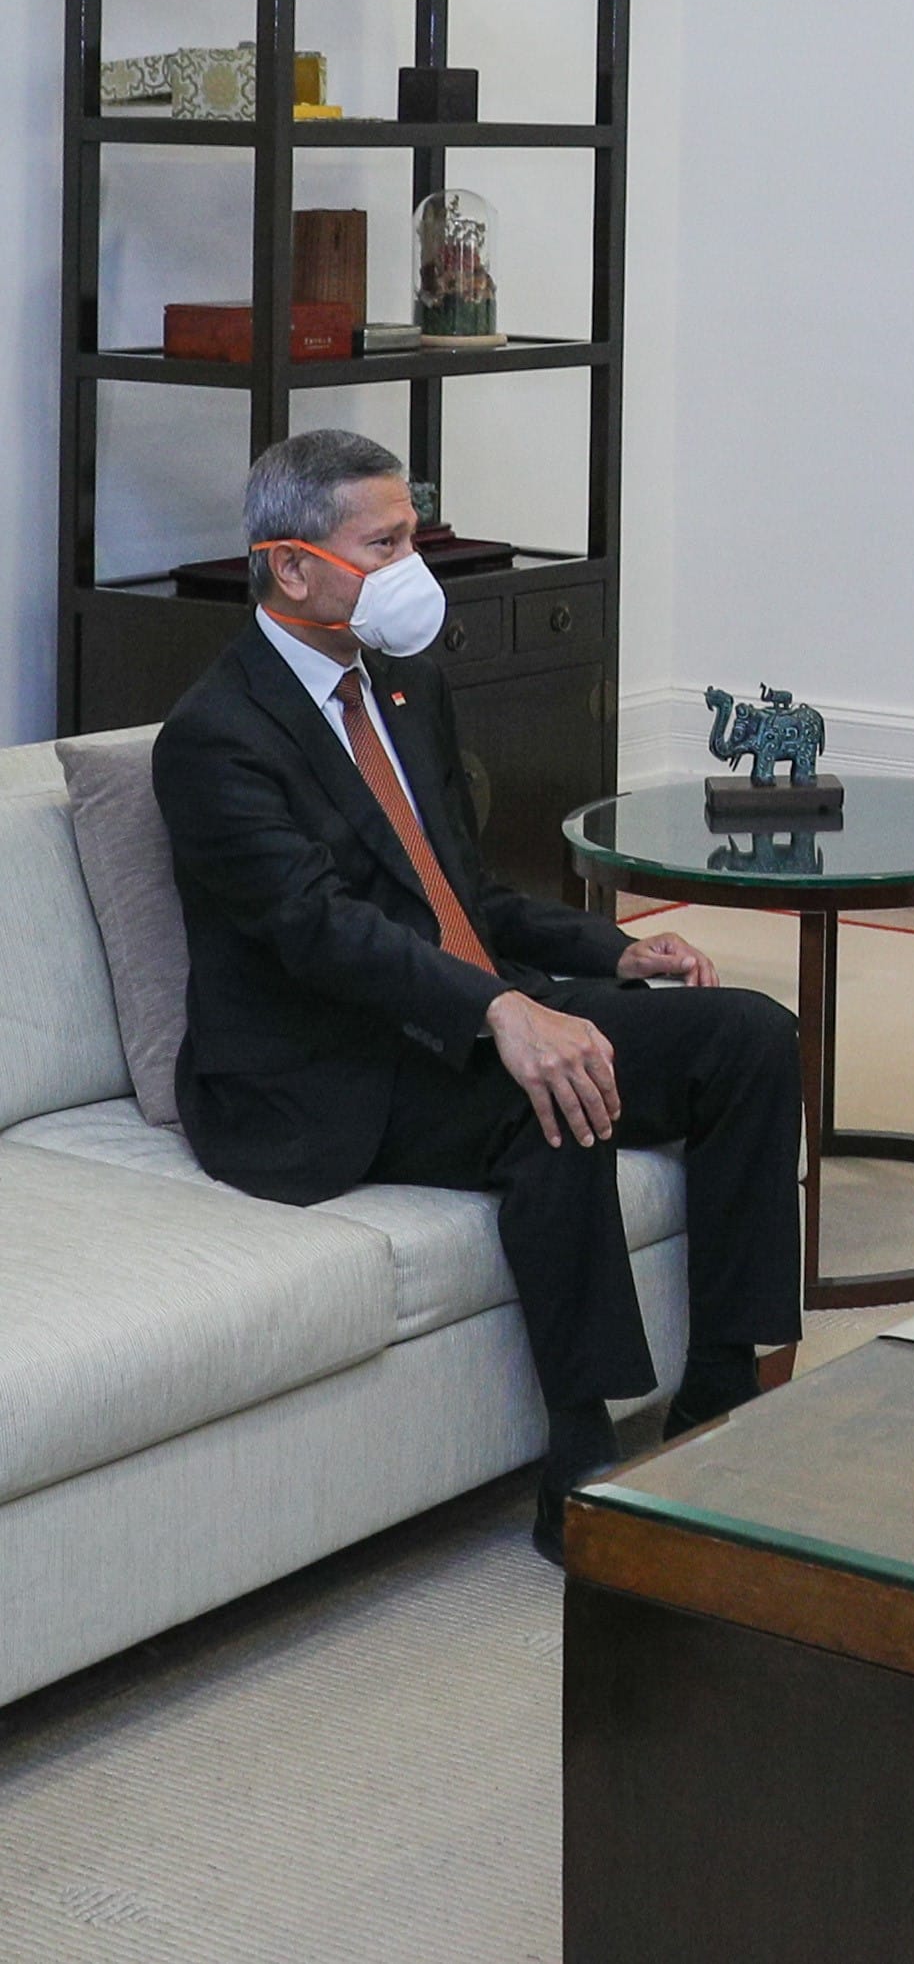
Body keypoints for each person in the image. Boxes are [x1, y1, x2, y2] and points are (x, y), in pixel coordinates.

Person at [153, 431, 804, 1564]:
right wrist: (506, 1014)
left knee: (749, 1036)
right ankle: (580, 1461)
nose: (417, 568)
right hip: (321, 1065)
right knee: (549, 1093)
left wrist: (607, 954)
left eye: (417, 535)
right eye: (388, 542)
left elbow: (468, 891)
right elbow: (322, 937)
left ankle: (721, 1395)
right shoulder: (215, 738)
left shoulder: (405, 685)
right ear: (291, 566)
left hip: (458, 1010)